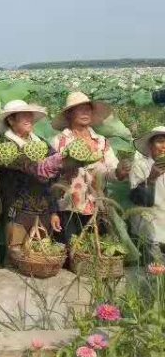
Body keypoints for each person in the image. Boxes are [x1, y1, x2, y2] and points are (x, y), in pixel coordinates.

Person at [51, 92, 129, 245]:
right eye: (79, 109)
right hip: (67, 207)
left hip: (97, 206)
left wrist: (120, 172)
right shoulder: (59, 141)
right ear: (69, 114)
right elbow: (50, 176)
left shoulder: (101, 142)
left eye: (88, 109)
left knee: (94, 253)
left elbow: (111, 171)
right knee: (70, 254)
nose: (85, 112)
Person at [0, 99, 63, 261]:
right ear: (11, 120)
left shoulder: (42, 143)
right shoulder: (4, 145)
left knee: (40, 257)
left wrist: (53, 210)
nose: (29, 119)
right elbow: (34, 169)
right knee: (16, 257)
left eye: (29, 115)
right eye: (23, 116)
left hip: (43, 210)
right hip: (18, 211)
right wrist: (50, 165)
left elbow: (54, 178)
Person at [129, 126, 165, 261]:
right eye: (160, 141)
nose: (164, 146)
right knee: (155, 272)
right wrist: (151, 179)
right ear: (151, 144)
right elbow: (139, 199)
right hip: (149, 228)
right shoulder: (140, 165)